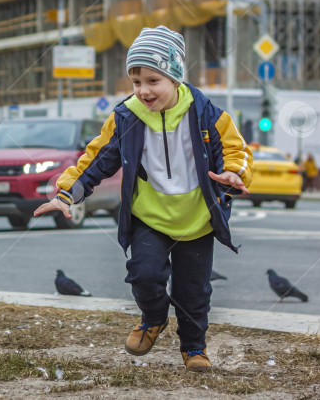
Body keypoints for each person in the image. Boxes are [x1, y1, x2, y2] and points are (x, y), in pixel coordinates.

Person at [33, 26, 252, 372]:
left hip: (196, 220)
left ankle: (194, 348)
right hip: (149, 217)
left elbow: (235, 149)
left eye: (153, 80)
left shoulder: (207, 113)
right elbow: (95, 158)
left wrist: (234, 175)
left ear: (175, 76)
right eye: (136, 82)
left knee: (193, 292)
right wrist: (66, 193)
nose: (143, 90)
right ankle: (153, 317)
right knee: (143, 273)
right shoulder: (126, 117)